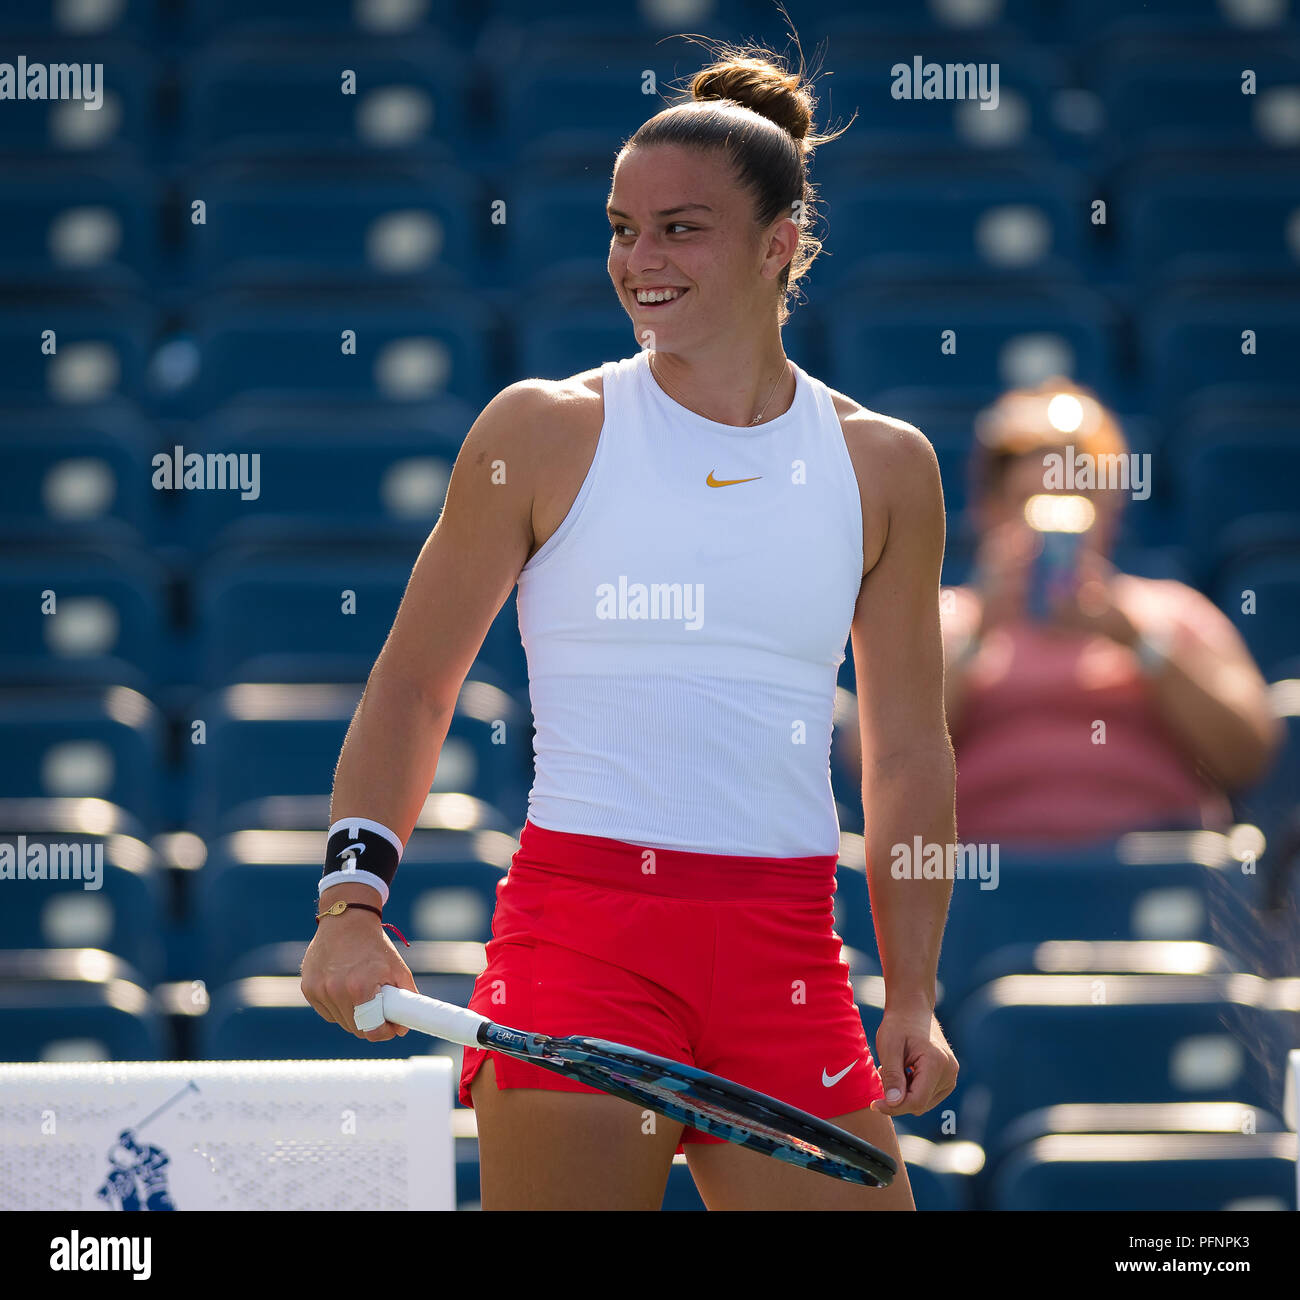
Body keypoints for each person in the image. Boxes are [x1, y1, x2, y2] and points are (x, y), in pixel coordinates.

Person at [301, 40, 958, 1210]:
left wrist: (913, 989)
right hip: (583, 942)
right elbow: (413, 688)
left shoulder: (888, 467)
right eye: (620, 228)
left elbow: (909, 752)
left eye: (678, 229)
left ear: (780, 244)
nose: (637, 260)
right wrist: (351, 902)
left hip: (787, 953)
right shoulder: (541, 430)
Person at [930, 378, 1278, 845]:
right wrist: (976, 637)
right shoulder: (943, 619)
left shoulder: (1171, 611)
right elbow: (877, 765)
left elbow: (1247, 757)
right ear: (989, 511)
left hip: (1158, 887)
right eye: (1031, 507)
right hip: (983, 888)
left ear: (1108, 510)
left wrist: (1140, 642)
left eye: (1076, 503)